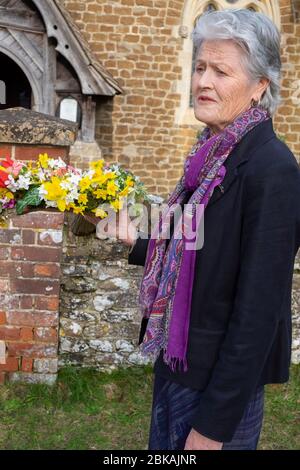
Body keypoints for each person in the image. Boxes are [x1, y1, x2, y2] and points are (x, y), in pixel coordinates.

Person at [88, 9, 300, 450]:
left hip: (215, 385)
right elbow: (195, 252)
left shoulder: (272, 170)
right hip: (177, 361)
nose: (203, 81)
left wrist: (212, 429)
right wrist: (133, 236)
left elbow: (258, 314)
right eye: (201, 66)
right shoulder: (207, 157)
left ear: (261, 85)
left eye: (221, 71)